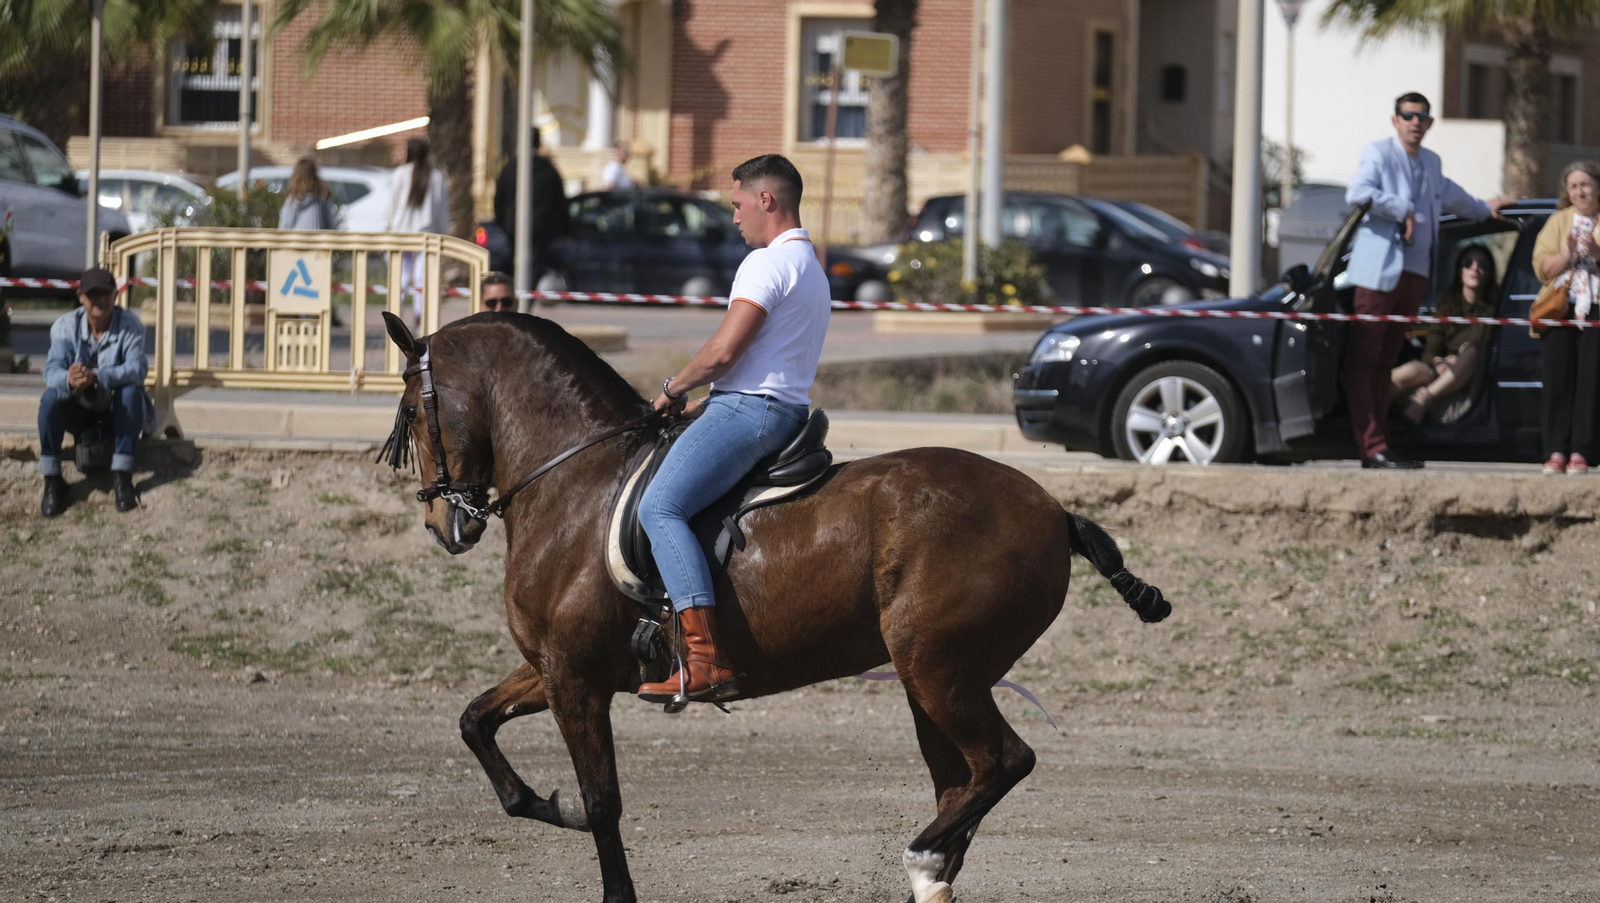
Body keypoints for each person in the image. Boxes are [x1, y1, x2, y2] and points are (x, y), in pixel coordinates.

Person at [634, 154, 829, 705]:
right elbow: (767, 363)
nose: (735, 215)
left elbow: (722, 353)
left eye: (739, 202)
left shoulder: (766, 264)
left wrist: (673, 389)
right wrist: (701, 408)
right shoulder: (809, 266)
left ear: (766, 200)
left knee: (659, 508)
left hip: (750, 412)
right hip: (777, 408)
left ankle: (704, 660)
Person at [1344, 91, 1509, 469]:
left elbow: (1452, 197)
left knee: (1386, 360)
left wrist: (1486, 208)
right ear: (1395, 120)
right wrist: (1403, 209)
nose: (1414, 122)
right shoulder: (1379, 152)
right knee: (1364, 359)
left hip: (1414, 273)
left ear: (1430, 123)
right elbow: (1359, 193)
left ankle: (1379, 445)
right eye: (1407, 115)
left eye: (1421, 116)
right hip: (1377, 271)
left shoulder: (1431, 162)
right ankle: (1370, 446)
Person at [38, 268, 154, 516]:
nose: (101, 299)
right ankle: (52, 480)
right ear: (81, 296)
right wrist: (70, 380)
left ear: (115, 295)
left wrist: (99, 376)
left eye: (106, 293)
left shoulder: (131, 326)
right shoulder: (64, 327)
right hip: (78, 409)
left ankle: (122, 476)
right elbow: (50, 372)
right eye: (94, 294)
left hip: (114, 410)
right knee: (50, 399)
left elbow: (138, 369)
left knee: (131, 392)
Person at [1531, 160, 1600, 475]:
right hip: (1561, 307)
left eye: (1585, 184)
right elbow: (1542, 267)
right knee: (1558, 380)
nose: (1580, 191)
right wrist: (1568, 253)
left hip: (1595, 309)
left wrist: (1596, 253)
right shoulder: (1558, 221)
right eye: (1573, 186)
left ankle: (1581, 452)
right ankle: (1555, 451)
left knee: (1590, 382)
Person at [1388, 245, 1497, 425]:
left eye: (1482, 264)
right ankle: (1372, 421)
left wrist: (1458, 359)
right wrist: (1439, 361)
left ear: (1490, 273)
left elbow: (1482, 344)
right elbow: (1430, 351)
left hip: (1471, 374)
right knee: (1410, 370)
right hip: (1442, 369)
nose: (1475, 268)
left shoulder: (1494, 310)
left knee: (1472, 351)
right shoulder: (1446, 307)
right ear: (1460, 270)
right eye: (1468, 263)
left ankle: (1423, 400)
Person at [493, 129, 570, 291]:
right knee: (536, 267)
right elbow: (561, 203)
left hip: (514, 227)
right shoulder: (549, 171)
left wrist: (504, 223)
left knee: (517, 264)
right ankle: (526, 300)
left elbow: (499, 201)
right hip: (541, 230)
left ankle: (518, 299)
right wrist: (565, 229)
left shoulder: (509, 169)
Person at [385, 138, 450, 325]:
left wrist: (388, 228)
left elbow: (392, 205)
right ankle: (419, 316)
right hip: (426, 234)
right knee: (422, 277)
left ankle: (394, 315)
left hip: (401, 233)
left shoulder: (399, 174)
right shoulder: (436, 176)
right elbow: (441, 208)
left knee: (402, 275)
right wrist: (444, 232)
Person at [277, 157, 337, 230]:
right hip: (319, 239)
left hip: (298, 239)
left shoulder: (293, 200)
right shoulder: (323, 197)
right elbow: (332, 224)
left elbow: (284, 226)